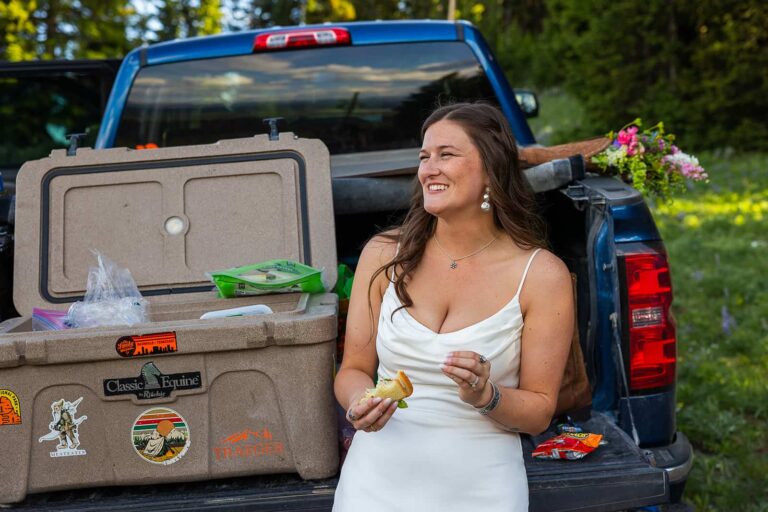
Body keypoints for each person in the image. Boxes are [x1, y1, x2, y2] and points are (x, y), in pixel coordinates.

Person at [332, 102, 574, 511]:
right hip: (373, 483)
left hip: (482, 488)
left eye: (447, 154)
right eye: (424, 157)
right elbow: (353, 369)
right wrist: (361, 401)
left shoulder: (542, 275)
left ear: (492, 172)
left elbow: (539, 412)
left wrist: (487, 394)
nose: (429, 169)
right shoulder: (383, 255)